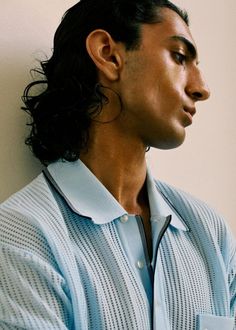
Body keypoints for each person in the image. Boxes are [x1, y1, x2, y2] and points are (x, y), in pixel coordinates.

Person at [0, 0, 235, 329]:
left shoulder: (212, 234)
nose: (202, 88)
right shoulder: (22, 235)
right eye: (180, 57)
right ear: (108, 54)